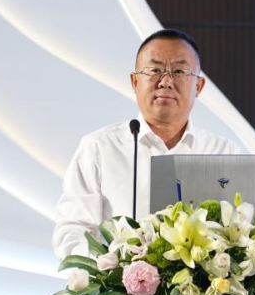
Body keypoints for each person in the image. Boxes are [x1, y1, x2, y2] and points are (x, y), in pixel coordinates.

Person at [52, 29, 242, 260]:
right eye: (154, 70)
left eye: (179, 71)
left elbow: (241, 232)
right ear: (134, 81)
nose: (166, 82)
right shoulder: (99, 148)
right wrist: (110, 267)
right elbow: (72, 233)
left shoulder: (224, 153)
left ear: (199, 86)